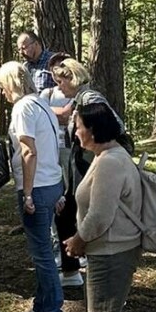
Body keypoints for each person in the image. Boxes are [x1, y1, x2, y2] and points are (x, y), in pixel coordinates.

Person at [63, 100, 148, 312]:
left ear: (94, 129)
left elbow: (100, 216)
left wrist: (78, 240)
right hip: (112, 249)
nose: (76, 131)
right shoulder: (107, 157)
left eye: (79, 126)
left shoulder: (111, 161)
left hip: (110, 252)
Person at [0, 61, 67, 312]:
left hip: (37, 186)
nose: (2, 93)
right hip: (51, 182)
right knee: (44, 250)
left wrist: (26, 192)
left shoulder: (23, 107)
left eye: (2, 87)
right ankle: (42, 305)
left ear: (11, 84)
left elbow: (28, 151)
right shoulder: (41, 104)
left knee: (42, 255)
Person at [45, 59, 91, 293]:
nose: (59, 87)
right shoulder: (81, 98)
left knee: (84, 213)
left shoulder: (89, 99)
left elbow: (107, 131)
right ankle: (71, 270)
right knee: (65, 213)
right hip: (78, 161)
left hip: (89, 164)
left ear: (72, 78)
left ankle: (94, 273)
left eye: (61, 82)